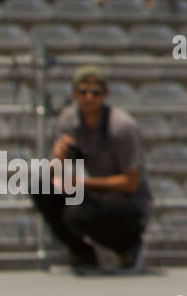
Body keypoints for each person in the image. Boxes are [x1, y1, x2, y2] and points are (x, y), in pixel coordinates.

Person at [31, 66, 152, 274]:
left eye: (95, 92)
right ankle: (82, 253)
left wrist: (83, 184)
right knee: (40, 187)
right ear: (74, 94)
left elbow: (131, 182)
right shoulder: (68, 121)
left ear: (105, 95)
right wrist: (57, 160)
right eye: (83, 91)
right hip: (89, 194)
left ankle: (127, 248)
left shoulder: (122, 127)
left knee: (76, 214)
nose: (88, 98)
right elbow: (54, 176)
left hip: (125, 200)